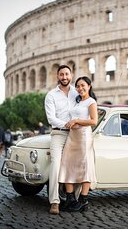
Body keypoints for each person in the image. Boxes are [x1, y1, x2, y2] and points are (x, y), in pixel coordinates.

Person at [58, 76, 98, 212]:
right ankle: (70, 198)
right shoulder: (76, 102)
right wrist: (72, 122)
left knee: (84, 167)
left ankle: (83, 200)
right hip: (72, 136)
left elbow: (93, 121)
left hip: (83, 138)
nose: (80, 88)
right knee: (66, 164)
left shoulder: (91, 102)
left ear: (89, 86)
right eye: (78, 86)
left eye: (83, 85)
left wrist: (76, 121)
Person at [44, 64, 78, 215]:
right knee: (55, 165)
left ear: (71, 75)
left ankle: (74, 199)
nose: (64, 77)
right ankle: (55, 202)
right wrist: (67, 124)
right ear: (57, 76)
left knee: (76, 166)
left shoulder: (77, 93)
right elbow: (51, 118)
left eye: (67, 74)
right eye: (61, 75)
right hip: (58, 134)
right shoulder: (51, 95)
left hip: (75, 135)